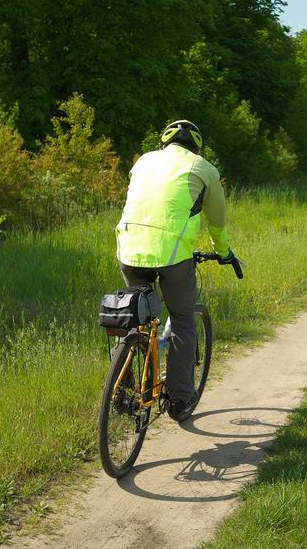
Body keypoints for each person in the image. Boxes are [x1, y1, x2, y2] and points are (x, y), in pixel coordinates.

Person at [116, 120, 237, 421]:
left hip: (129, 248)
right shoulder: (203, 168)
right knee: (183, 320)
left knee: (133, 318)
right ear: (196, 146)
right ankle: (180, 400)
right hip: (172, 256)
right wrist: (224, 253)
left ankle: (121, 389)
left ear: (164, 143)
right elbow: (217, 222)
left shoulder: (143, 161)